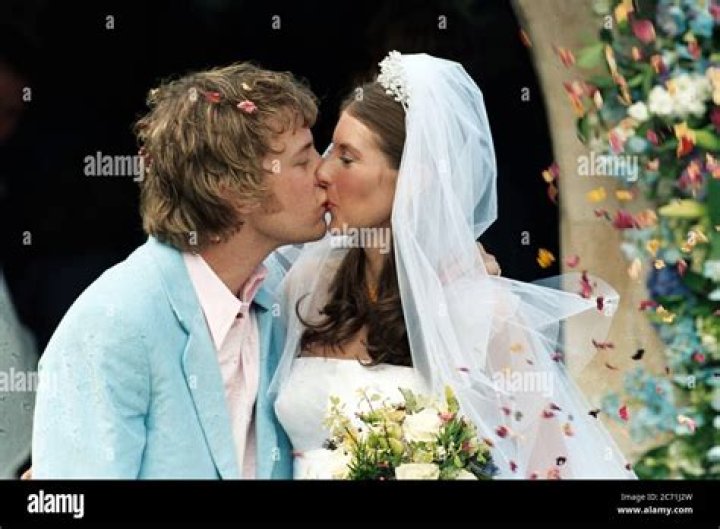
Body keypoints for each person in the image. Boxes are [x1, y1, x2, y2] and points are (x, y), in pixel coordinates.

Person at [273, 51, 637, 479]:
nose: (323, 170)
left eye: (347, 158)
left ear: (415, 176)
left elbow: (547, 466)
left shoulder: (486, 314)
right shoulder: (309, 284)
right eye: (330, 149)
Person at [31, 63, 328, 478]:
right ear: (234, 190)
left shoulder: (279, 297)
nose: (324, 171)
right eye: (303, 159)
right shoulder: (113, 321)